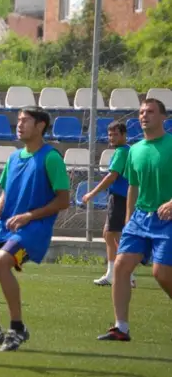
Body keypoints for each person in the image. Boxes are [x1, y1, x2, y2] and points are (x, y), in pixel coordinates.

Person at [0, 106, 70, 352]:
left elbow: (63, 200)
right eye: (19, 120)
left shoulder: (51, 157)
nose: (19, 124)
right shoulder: (14, 158)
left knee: (1, 263)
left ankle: (17, 328)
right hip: (6, 229)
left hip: (33, 232)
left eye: (25, 120)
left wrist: (29, 216)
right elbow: (6, 193)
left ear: (40, 126)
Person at [98, 98, 172, 342]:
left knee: (161, 274)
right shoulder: (135, 150)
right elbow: (133, 186)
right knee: (120, 267)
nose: (144, 116)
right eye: (141, 112)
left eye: (150, 111)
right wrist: (129, 219)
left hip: (168, 219)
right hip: (140, 218)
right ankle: (121, 327)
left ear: (164, 117)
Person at [82, 121, 135, 287]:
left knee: (114, 235)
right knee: (109, 234)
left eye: (115, 135)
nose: (111, 138)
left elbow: (112, 176)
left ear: (124, 135)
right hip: (121, 197)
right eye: (110, 134)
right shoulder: (126, 151)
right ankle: (118, 273)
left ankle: (124, 274)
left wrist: (92, 193)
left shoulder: (121, 152)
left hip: (120, 198)